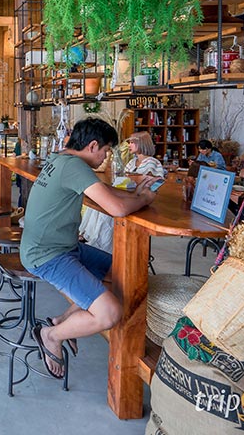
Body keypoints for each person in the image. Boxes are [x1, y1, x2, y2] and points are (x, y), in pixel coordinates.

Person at [23, 118, 159, 379]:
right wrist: (143, 199)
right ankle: (50, 335)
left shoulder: (61, 158)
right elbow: (117, 209)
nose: (106, 157)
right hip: (47, 255)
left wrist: (134, 195)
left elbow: (103, 190)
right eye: (106, 151)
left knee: (123, 274)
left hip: (61, 247)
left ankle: (62, 322)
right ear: (93, 145)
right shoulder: (74, 166)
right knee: (110, 313)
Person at [80, 132, 164, 253]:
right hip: (129, 194)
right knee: (100, 203)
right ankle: (91, 237)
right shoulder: (132, 162)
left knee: (109, 209)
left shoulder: (151, 162)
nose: (129, 145)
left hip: (140, 198)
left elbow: (151, 183)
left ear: (141, 143)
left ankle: (101, 243)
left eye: (132, 142)